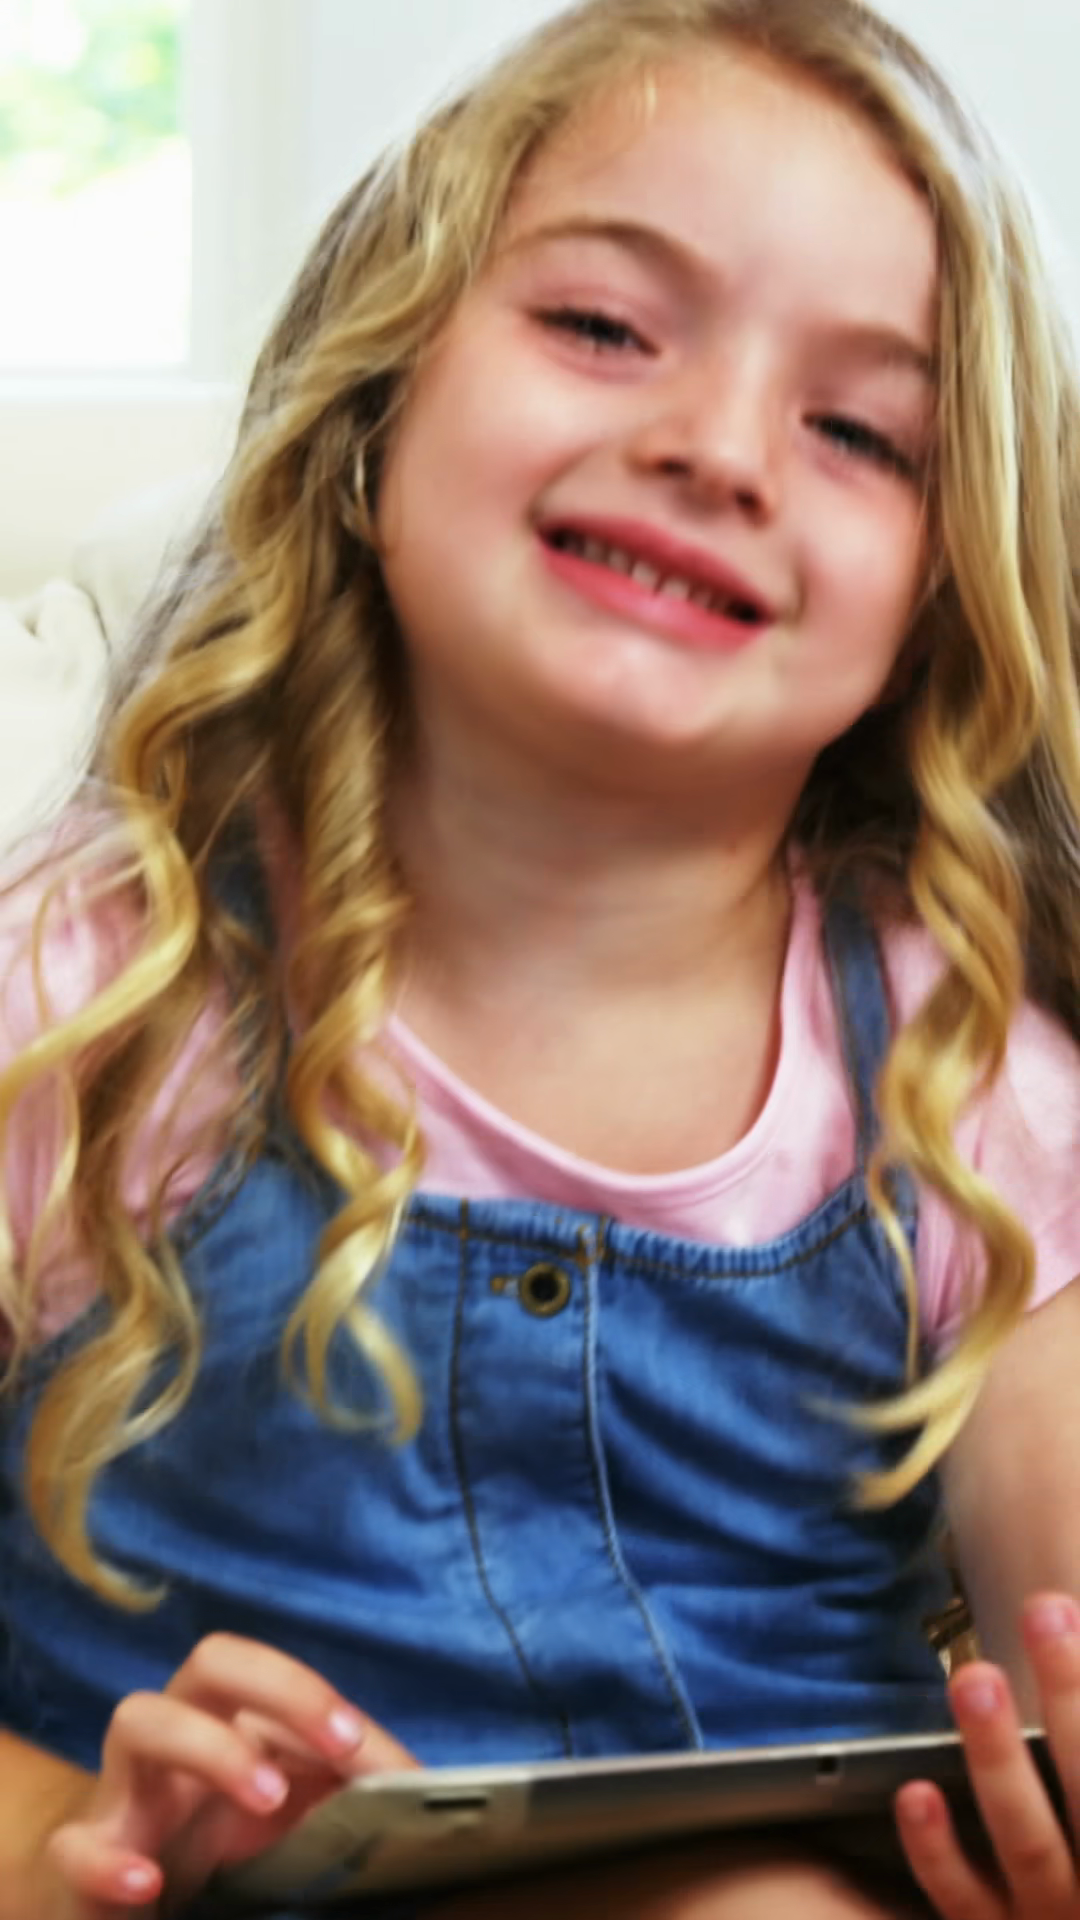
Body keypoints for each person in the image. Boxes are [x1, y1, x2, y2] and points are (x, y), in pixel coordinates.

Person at [2, 0, 1080, 1913]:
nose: (718, 449)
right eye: (601, 326)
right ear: (371, 409)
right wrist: (49, 1845)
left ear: (933, 611)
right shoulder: (88, 994)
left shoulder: (968, 1080)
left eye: (857, 430)